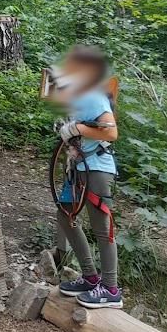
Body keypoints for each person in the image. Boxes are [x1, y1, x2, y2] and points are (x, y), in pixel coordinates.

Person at [52, 44, 123, 309]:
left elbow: (110, 132)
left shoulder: (94, 96)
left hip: (96, 168)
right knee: (65, 214)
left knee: (102, 229)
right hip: (79, 168)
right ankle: (90, 277)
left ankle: (110, 288)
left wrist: (76, 128)